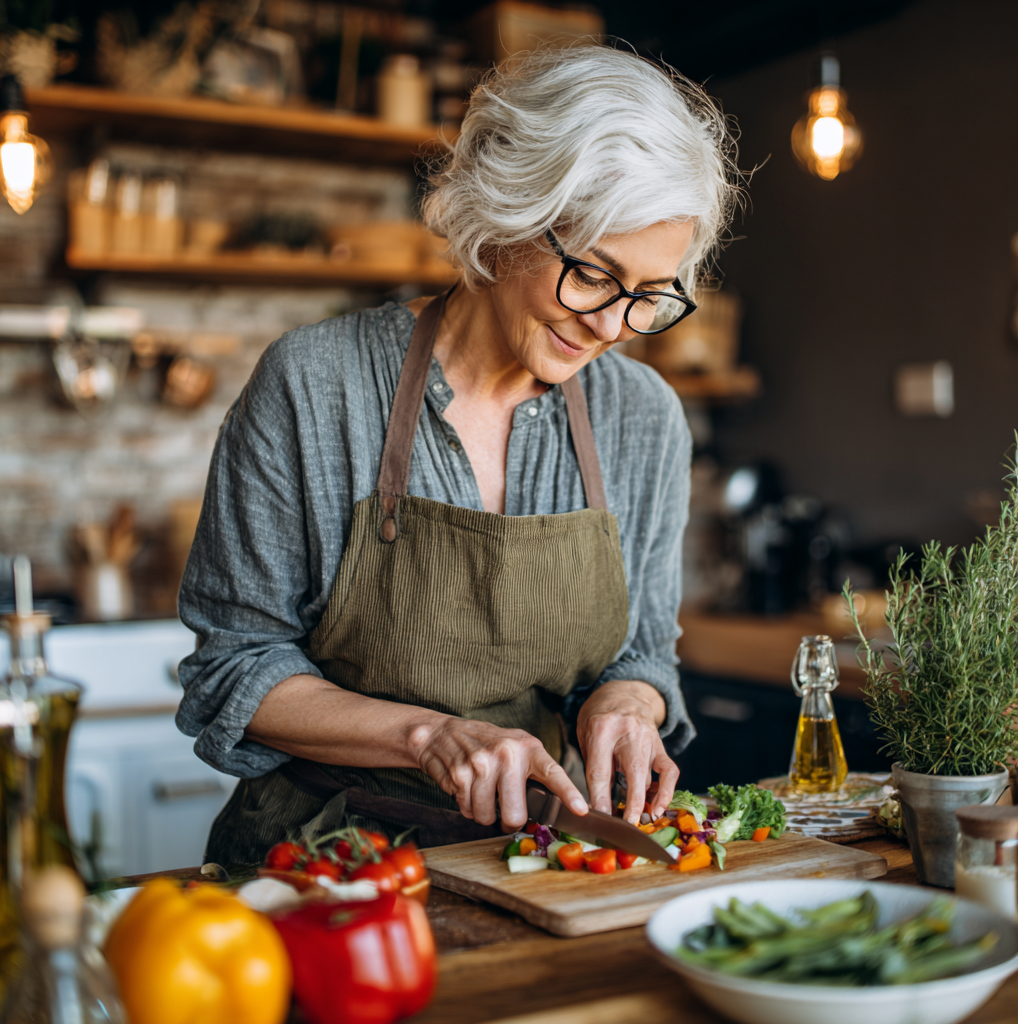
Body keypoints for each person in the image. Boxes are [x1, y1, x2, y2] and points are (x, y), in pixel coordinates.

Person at [176, 44, 739, 864]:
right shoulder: (315, 384)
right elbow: (237, 667)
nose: (613, 327)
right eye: (591, 275)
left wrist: (626, 703)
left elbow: (641, 651)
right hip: (321, 865)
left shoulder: (642, 416)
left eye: (649, 295)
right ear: (508, 216)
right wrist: (432, 737)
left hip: (545, 859)